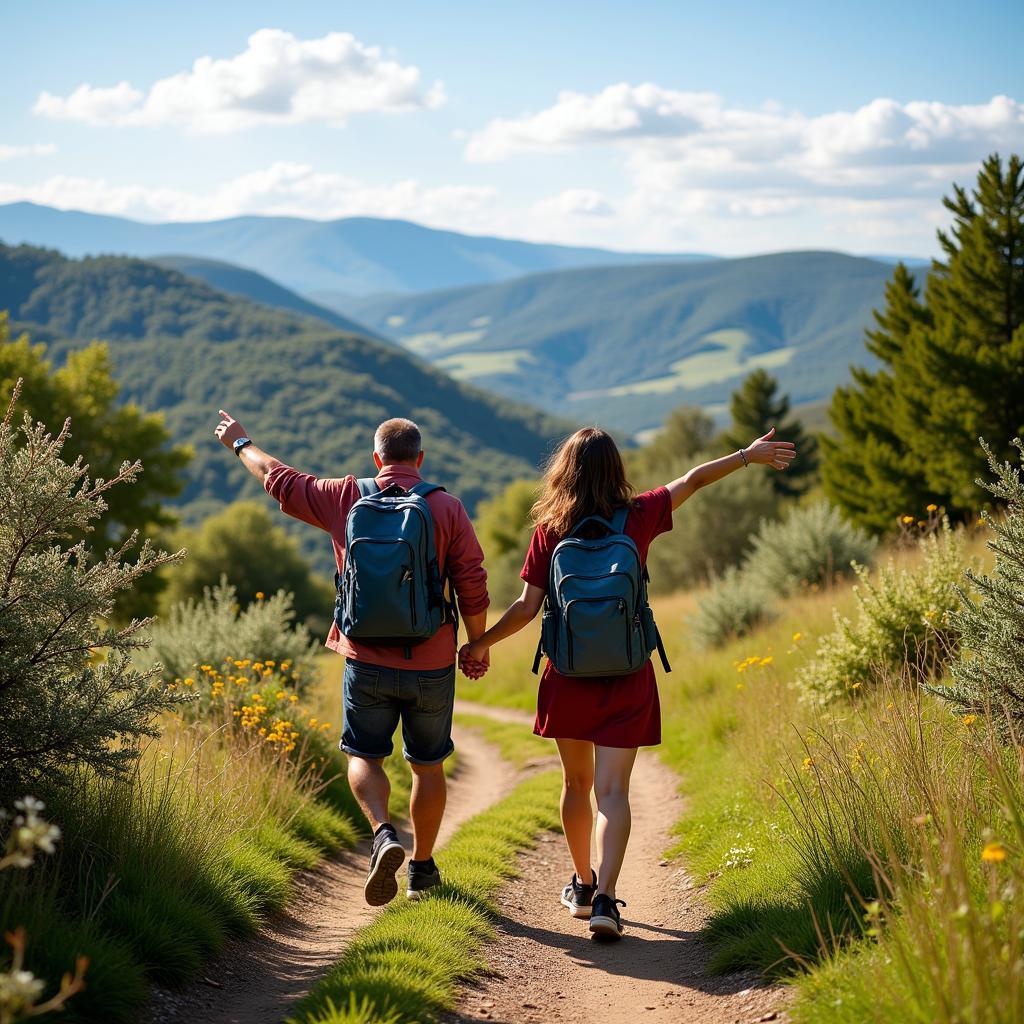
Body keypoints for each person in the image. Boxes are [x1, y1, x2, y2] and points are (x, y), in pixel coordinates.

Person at [460, 425, 796, 939]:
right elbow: (694, 479)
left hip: (566, 675)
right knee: (613, 791)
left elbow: (528, 608)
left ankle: (583, 883)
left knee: (575, 786)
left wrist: (480, 644)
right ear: (616, 469)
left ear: (563, 472)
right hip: (627, 675)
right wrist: (747, 457)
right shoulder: (638, 515)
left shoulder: (550, 528)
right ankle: (607, 902)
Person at [215, 410, 490, 906]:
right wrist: (476, 644)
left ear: (376, 458)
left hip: (363, 656)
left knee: (364, 755)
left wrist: (241, 443)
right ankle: (423, 870)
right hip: (429, 660)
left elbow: (278, 479)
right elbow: (472, 582)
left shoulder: (346, 496)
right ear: (420, 459)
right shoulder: (446, 507)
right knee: (428, 766)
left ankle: (384, 834)